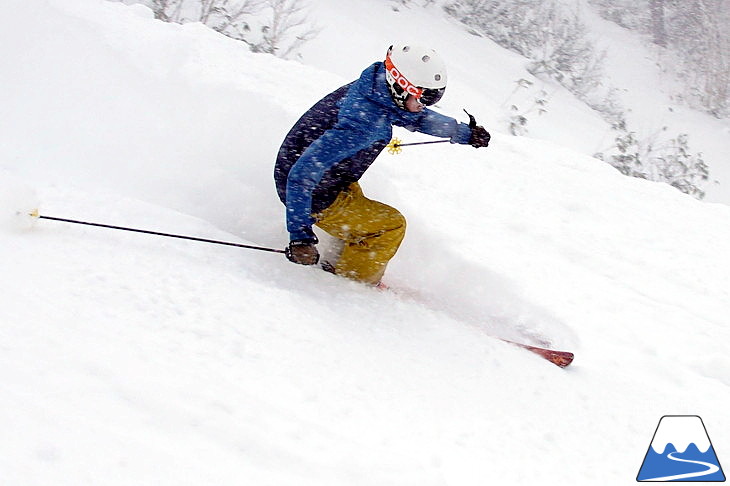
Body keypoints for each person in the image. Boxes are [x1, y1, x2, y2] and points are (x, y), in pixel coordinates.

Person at [274, 43, 491, 285]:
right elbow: (301, 176)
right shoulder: (360, 123)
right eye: (424, 97)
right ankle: (352, 283)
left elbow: (416, 117)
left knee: (362, 210)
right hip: (312, 191)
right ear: (401, 86)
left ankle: (340, 257)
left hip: (328, 178)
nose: (425, 104)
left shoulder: (378, 89)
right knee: (389, 226)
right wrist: (300, 237)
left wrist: (465, 133)